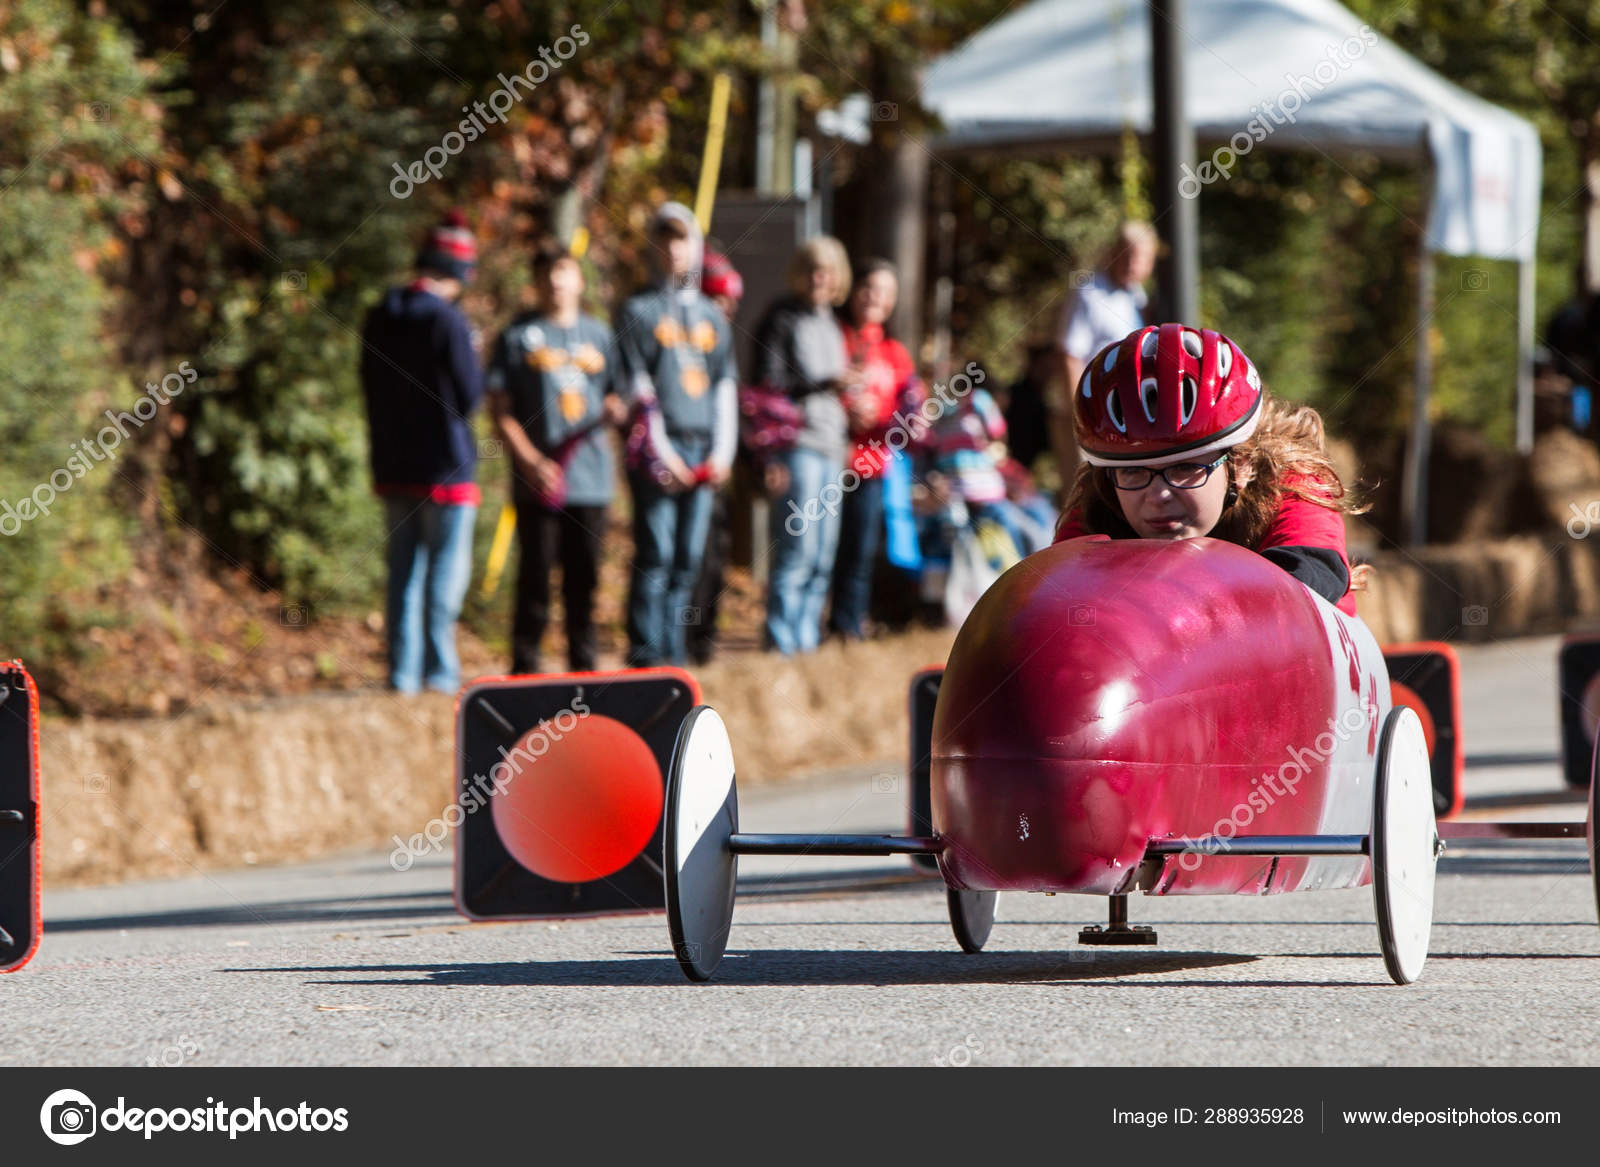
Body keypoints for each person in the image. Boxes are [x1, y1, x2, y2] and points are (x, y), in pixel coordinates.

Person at [1054, 322, 1364, 614]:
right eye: (1134, 472)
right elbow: (1053, 596)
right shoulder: (1100, 499)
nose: (1158, 495)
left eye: (1183, 468)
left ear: (1241, 464)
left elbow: (1307, 581)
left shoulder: (1292, 486)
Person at [359, 210, 484, 694]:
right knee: (444, 577)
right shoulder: (449, 322)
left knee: (403, 575)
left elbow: (367, 387)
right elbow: (471, 395)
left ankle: (402, 675)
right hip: (447, 469)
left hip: (393, 465)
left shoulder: (378, 315)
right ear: (457, 273)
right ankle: (440, 675)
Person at [486, 242, 624, 675]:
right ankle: (525, 677)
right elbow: (500, 412)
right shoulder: (516, 337)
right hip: (538, 486)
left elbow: (618, 393)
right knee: (535, 585)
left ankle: (585, 677)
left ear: (579, 279)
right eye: (545, 272)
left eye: (563, 270)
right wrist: (530, 461)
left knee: (583, 586)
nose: (555, 281)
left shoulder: (600, 335)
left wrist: (616, 410)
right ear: (535, 282)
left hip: (590, 480)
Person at [615, 203, 738, 667]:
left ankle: (674, 656)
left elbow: (725, 384)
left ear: (696, 245)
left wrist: (723, 452)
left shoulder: (712, 316)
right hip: (658, 453)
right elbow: (638, 391)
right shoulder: (636, 310)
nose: (673, 249)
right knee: (657, 552)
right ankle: (645, 656)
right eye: (664, 238)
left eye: (681, 238)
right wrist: (664, 456)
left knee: (688, 557)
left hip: (704, 448)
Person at [754, 236, 857, 655]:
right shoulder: (782, 318)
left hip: (832, 448)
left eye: (828, 271)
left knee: (822, 555)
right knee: (797, 550)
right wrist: (826, 383)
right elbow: (769, 386)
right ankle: (781, 643)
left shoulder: (833, 324)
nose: (820, 279)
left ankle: (806, 644)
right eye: (813, 270)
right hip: (797, 446)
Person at [828, 258, 921, 640]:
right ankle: (810, 629)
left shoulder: (895, 352)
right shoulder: (834, 336)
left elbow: (912, 407)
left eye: (884, 292)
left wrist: (895, 418)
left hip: (871, 467)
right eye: (868, 287)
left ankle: (848, 628)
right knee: (823, 553)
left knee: (859, 552)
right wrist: (845, 406)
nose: (874, 298)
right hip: (832, 460)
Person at [1053, 221, 1159, 487]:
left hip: (1123, 415)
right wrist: (1080, 415)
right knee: (1084, 490)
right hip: (1089, 412)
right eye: (1129, 254)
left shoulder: (1136, 295)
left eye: (1142, 257)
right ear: (1114, 252)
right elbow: (1069, 354)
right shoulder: (1089, 292)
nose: (1134, 263)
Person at [685, 248, 745, 665]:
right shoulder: (684, 343)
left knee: (712, 558)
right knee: (682, 560)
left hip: (716, 469)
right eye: (717, 301)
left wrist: (723, 457)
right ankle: (677, 645)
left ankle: (703, 642)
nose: (725, 312)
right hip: (680, 468)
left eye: (730, 305)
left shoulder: (723, 346)